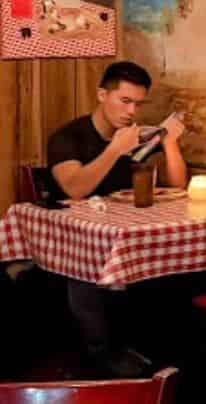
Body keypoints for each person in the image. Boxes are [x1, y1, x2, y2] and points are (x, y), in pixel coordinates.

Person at [46, 61, 186, 377]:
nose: (131, 111)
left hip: (126, 237)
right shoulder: (69, 137)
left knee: (172, 269)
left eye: (138, 103)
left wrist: (170, 144)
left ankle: (157, 362)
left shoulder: (134, 138)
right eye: (125, 101)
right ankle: (100, 361)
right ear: (101, 95)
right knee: (84, 271)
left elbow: (177, 186)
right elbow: (74, 188)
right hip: (75, 242)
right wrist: (114, 150)